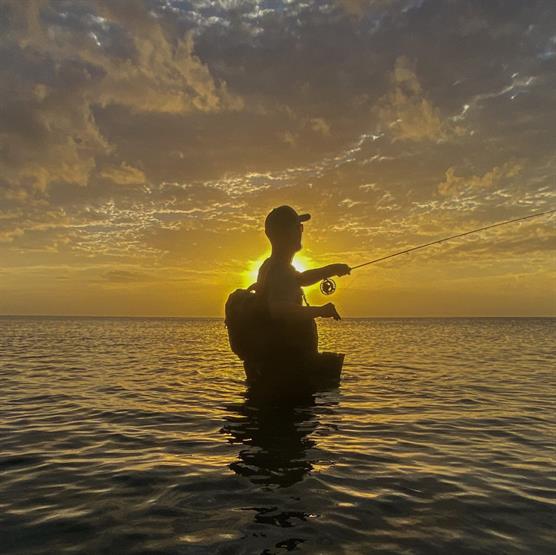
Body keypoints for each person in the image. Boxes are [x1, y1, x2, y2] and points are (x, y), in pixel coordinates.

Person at [251, 205, 351, 369]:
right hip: (287, 372)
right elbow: (279, 309)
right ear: (285, 233)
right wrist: (320, 311)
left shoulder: (273, 265)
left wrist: (332, 269)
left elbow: (300, 279)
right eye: (298, 227)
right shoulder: (279, 269)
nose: (300, 232)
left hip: (283, 366)